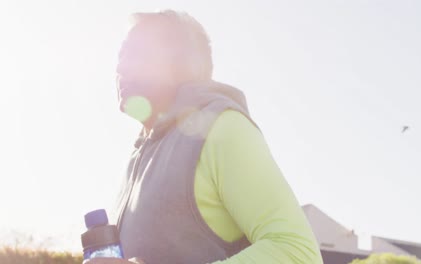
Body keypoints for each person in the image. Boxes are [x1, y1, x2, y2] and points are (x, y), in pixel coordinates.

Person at [86, 10, 323, 264]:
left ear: (182, 65)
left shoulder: (221, 127)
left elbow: (298, 253)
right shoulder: (139, 154)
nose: (120, 67)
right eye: (121, 55)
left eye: (137, 53)